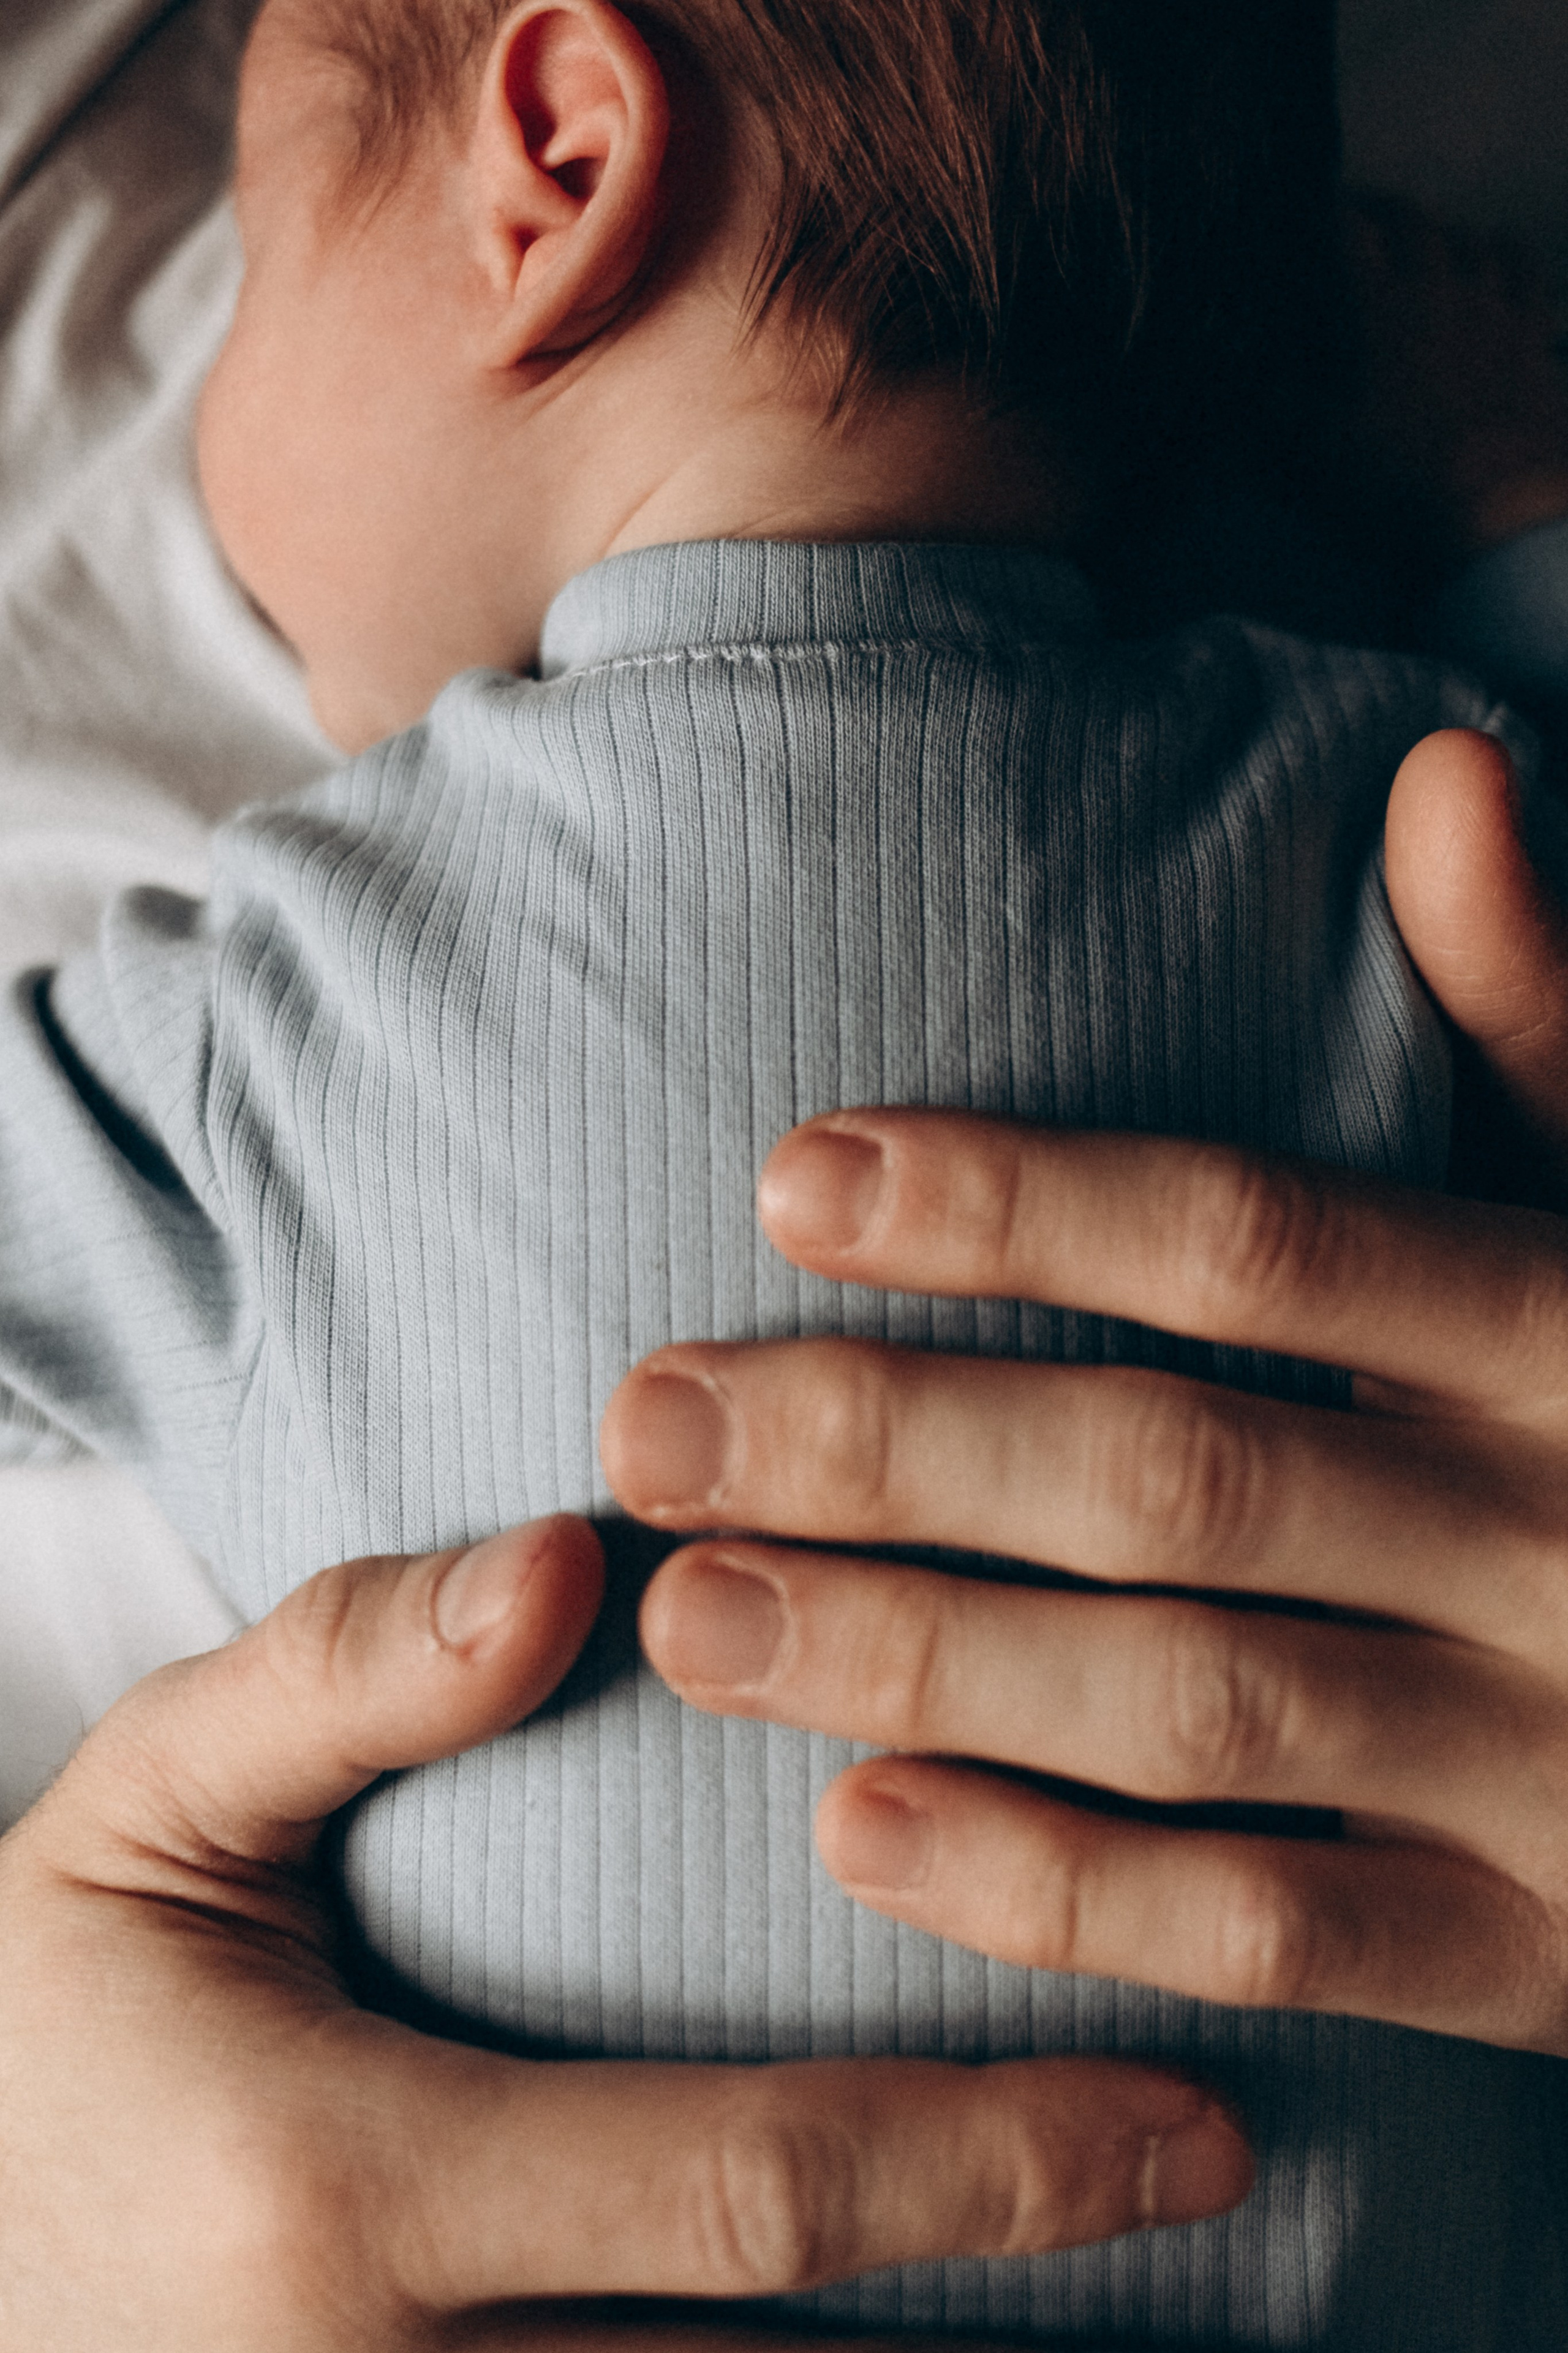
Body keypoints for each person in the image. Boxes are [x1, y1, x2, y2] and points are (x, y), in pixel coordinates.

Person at [0, 0, 1565, 2345]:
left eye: (239, 253)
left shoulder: (284, 994)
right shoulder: (1400, 792)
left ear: (553, 157)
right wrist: (1516, 484)